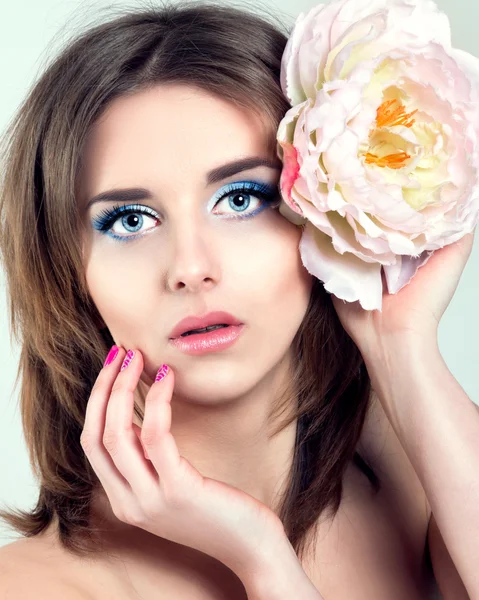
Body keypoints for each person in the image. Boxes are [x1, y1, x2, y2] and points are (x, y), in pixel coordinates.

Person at [0, 1, 475, 598]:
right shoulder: (31, 587)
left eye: (243, 198)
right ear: (67, 270)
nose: (192, 269)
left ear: (323, 212)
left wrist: (402, 347)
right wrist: (259, 558)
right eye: (128, 220)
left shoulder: (418, 481)